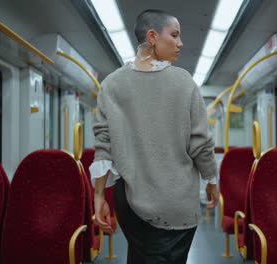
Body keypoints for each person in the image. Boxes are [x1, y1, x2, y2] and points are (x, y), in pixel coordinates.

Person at [90, 9, 219, 264]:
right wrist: (211, 180)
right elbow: (201, 143)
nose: (180, 43)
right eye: (174, 35)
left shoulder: (111, 85)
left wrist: (99, 196)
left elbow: (104, 145)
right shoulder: (184, 83)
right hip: (175, 202)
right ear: (152, 36)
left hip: (129, 202)